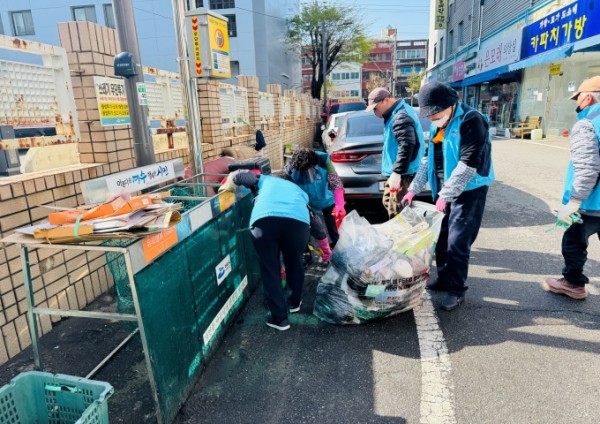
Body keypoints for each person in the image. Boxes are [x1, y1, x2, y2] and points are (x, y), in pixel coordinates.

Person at [402, 81, 494, 311]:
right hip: (444, 189)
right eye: (429, 116)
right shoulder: (439, 125)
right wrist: (413, 188)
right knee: (441, 237)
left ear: (449, 105)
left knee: (457, 242)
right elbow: (427, 160)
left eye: (435, 114)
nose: (432, 118)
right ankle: (444, 277)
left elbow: (468, 164)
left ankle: (457, 289)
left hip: (469, 190)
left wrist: (446, 194)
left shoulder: (471, 121)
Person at [220, 171, 324, 331]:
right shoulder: (299, 190)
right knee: (295, 262)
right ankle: (294, 303)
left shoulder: (264, 179)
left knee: (270, 268)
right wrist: (325, 245)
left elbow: (239, 176)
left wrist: (226, 189)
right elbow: (314, 218)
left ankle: (279, 319)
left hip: (264, 221)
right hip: (298, 223)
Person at [544, 76, 600, 300]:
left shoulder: (588, 124)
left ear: (588, 98)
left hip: (591, 204)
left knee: (574, 243)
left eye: (578, 98)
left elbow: (587, 168)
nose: (577, 103)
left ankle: (573, 284)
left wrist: (573, 203)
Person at [365, 87, 425, 217]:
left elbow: (407, 145)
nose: (375, 112)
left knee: (397, 210)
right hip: (403, 171)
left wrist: (397, 173)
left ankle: (407, 230)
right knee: (390, 203)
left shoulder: (400, 116)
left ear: (386, 100)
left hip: (404, 173)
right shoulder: (397, 113)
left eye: (375, 108)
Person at [284, 148, 345, 247]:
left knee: (333, 224)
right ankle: (306, 249)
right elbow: (290, 191)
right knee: (305, 226)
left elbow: (336, 183)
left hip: (326, 199)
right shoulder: (291, 169)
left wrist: (339, 204)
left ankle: (338, 245)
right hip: (307, 202)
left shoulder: (323, 160)